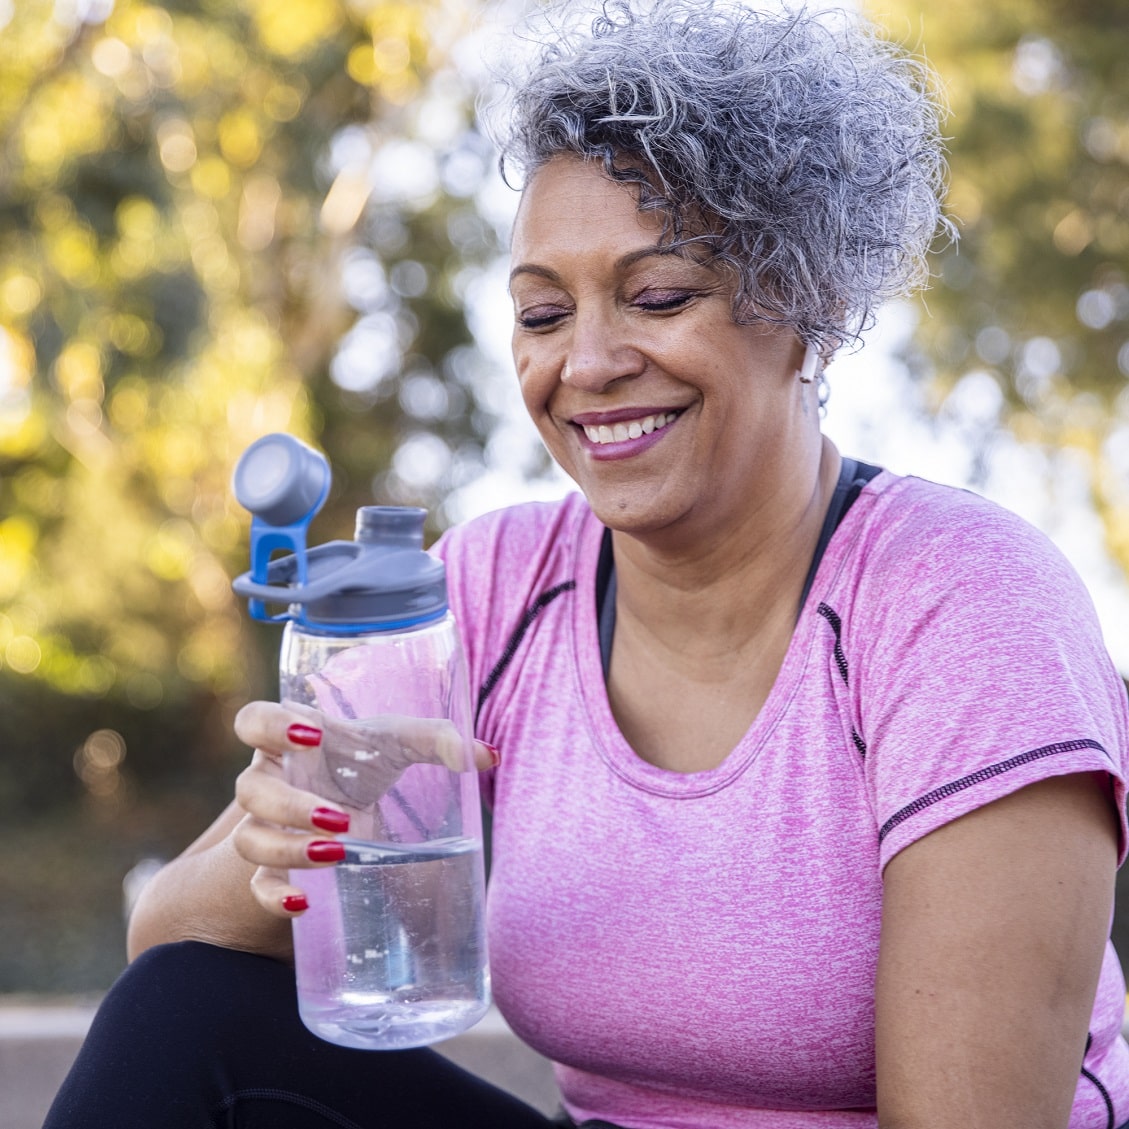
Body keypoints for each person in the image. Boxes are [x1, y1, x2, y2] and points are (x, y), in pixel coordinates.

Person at [45, 2, 1129, 1127]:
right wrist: (278, 844)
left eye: (657, 297)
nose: (590, 362)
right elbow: (166, 955)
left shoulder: (964, 604)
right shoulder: (493, 586)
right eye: (543, 313)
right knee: (188, 1016)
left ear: (810, 308)